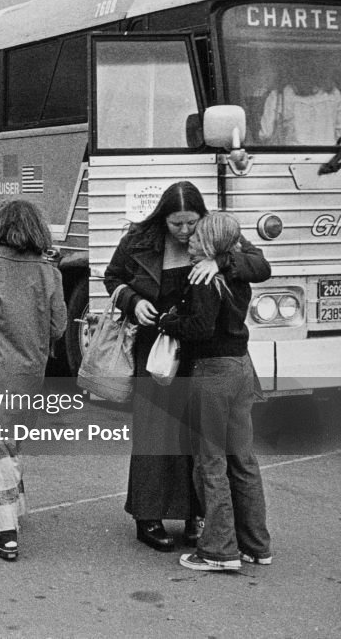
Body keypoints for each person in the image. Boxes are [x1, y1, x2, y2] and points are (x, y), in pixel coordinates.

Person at [104, 181, 270, 552]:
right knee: (155, 431)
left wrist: (221, 261)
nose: (183, 231)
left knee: (197, 439)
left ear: (202, 217)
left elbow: (261, 265)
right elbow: (111, 277)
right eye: (175, 223)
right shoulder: (138, 239)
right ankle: (148, 514)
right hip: (156, 348)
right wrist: (132, 301)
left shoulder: (217, 238)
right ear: (162, 218)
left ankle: (196, 515)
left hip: (201, 350)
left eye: (190, 223)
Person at [157, 213, 272, 571]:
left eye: (197, 235)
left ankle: (219, 550)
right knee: (243, 460)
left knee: (210, 462)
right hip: (241, 367)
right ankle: (256, 545)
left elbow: (200, 328)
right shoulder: (237, 276)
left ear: (210, 243)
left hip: (213, 372)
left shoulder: (205, 277)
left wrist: (168, 322)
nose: (188, 238)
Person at [0, 200, 66, 561]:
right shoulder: (49, 271)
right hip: (30, 373)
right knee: (11, 442)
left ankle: (6, 532)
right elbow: (59, 327)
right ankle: (16, 505)